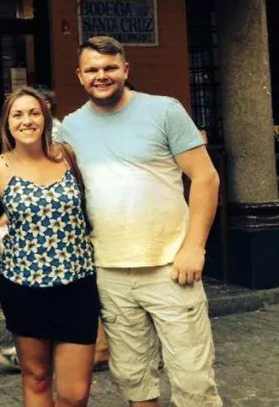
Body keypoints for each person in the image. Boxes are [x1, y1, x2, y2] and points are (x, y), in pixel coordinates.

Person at [58, 36, 222, 407]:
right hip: (110, 269)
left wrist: (194, 247)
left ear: (125, 70)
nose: (102, 76)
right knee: (133, 380)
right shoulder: (70, 128)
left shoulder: (164, 111)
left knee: (193, 379)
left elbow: (205, 178)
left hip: (171, 268)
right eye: (93, 70)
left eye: (110, 68)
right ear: (80, 76)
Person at [0, 87, 98, 406]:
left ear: (46, 118)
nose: (27, 121)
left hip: (76, 285)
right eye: (17, 114)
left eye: (34, 113)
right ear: (6, 123)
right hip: (24, 288)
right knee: (36, 378)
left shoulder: (68, 156)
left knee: (75, 393)